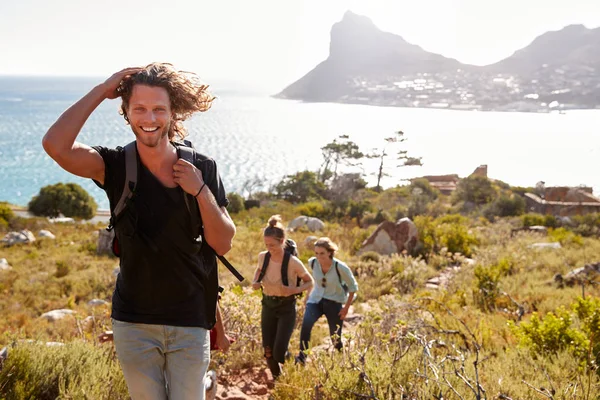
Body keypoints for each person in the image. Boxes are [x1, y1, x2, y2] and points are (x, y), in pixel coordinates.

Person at [42, 63, 236, 400]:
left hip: (189, 320)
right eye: (139, 108)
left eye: (159, 109)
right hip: (134, 323)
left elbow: (222, 242)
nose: (149, 118)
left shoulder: (201, 166)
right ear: (126, 112)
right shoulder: (115, 166)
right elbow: (56, 146)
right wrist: (103, 89)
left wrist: (200, 190)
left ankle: (207, 383)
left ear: (173, 113)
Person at [251, 215, 314, 379]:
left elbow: (310, 282)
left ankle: (298, 364)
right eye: (266, 244)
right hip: (268, 305)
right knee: (268, 352)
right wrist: (255, 281)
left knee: (279, 353)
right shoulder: (262, 256)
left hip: (286, 308)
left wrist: (293, 290)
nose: (269, 248)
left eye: (272, 244)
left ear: (282, 241)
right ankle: (280, 383)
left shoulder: (293, 262)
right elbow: (258, 270)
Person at [296, 237, 358, 364]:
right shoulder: (312, 263)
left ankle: (342, 359)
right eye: (316, 253)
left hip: (334, 302)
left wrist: (346, 308)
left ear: (330, 252)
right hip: (316, 300)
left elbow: (353, 287)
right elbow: (313, 281)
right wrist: (307, 297)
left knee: (335, 338)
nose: (319, 256)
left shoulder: (340, 267)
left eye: (322, 253)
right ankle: (302, 357)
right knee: (306, 326)